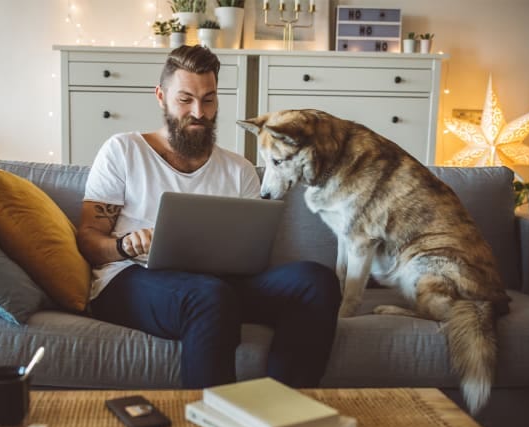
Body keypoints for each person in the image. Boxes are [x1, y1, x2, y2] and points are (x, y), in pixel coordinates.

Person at [77, 45, 341, 389]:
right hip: (131, 278)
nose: (198, 112)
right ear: (161, 97)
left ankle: (281, 408)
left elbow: (252, 254)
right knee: (207, 294)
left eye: (209, 99)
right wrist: (126, 245)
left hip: (219, 285)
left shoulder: (240, 169)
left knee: (315, 280)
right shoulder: (123, 150)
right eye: (185, 99)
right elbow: (88, 240)